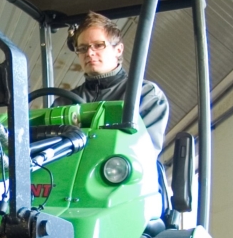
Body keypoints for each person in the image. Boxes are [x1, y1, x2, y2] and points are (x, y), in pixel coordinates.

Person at [67, 12, 169, 150]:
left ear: (118, 49)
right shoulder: (65, 102)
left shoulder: (145, 95)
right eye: (83, 48)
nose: (89, 53)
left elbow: (144, 154)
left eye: (98, 45)